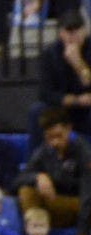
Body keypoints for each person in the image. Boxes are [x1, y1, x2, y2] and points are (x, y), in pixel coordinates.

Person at [15, 106, 91, 235]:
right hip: (55, 207)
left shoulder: (83, 152)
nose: (55, 142)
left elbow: (87, 197)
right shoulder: (44, 151)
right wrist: (38, 176)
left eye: (59, 136)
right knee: (26, 191)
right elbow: (17, 180)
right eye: (50, 138)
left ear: (69, 129)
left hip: (80, 206)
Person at [32, 10, 91, 148]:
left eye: (77, 30)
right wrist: (75, 100)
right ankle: (35, 160)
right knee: (37, 110)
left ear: (84, 31)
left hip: (88, 108)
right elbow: (45, 93)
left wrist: (78, 63)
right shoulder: (50, 54)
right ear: (60, 33)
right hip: (64, 105)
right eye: (68, 31)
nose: (73, 35)